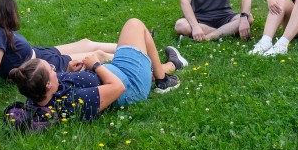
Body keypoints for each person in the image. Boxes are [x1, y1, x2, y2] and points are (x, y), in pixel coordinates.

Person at [0, 0, 119, 108]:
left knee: (86, 43)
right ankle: (130, 54)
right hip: (43, 65)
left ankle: (128, 46)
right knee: (97, 55)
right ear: (3, 14)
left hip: (40, 53)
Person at [9, 18, 187, 120]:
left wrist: (70, 70)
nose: (55, 69)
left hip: (117, 71)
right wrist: (95, 65)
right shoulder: (74, 101)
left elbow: (65, 81)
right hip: (131, 84)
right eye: (51, 69)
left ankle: (172, 64)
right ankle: (163, 81)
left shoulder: (40, 91)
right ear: (48, 84)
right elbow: (118, 87)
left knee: (131, 37)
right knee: (135, 25)